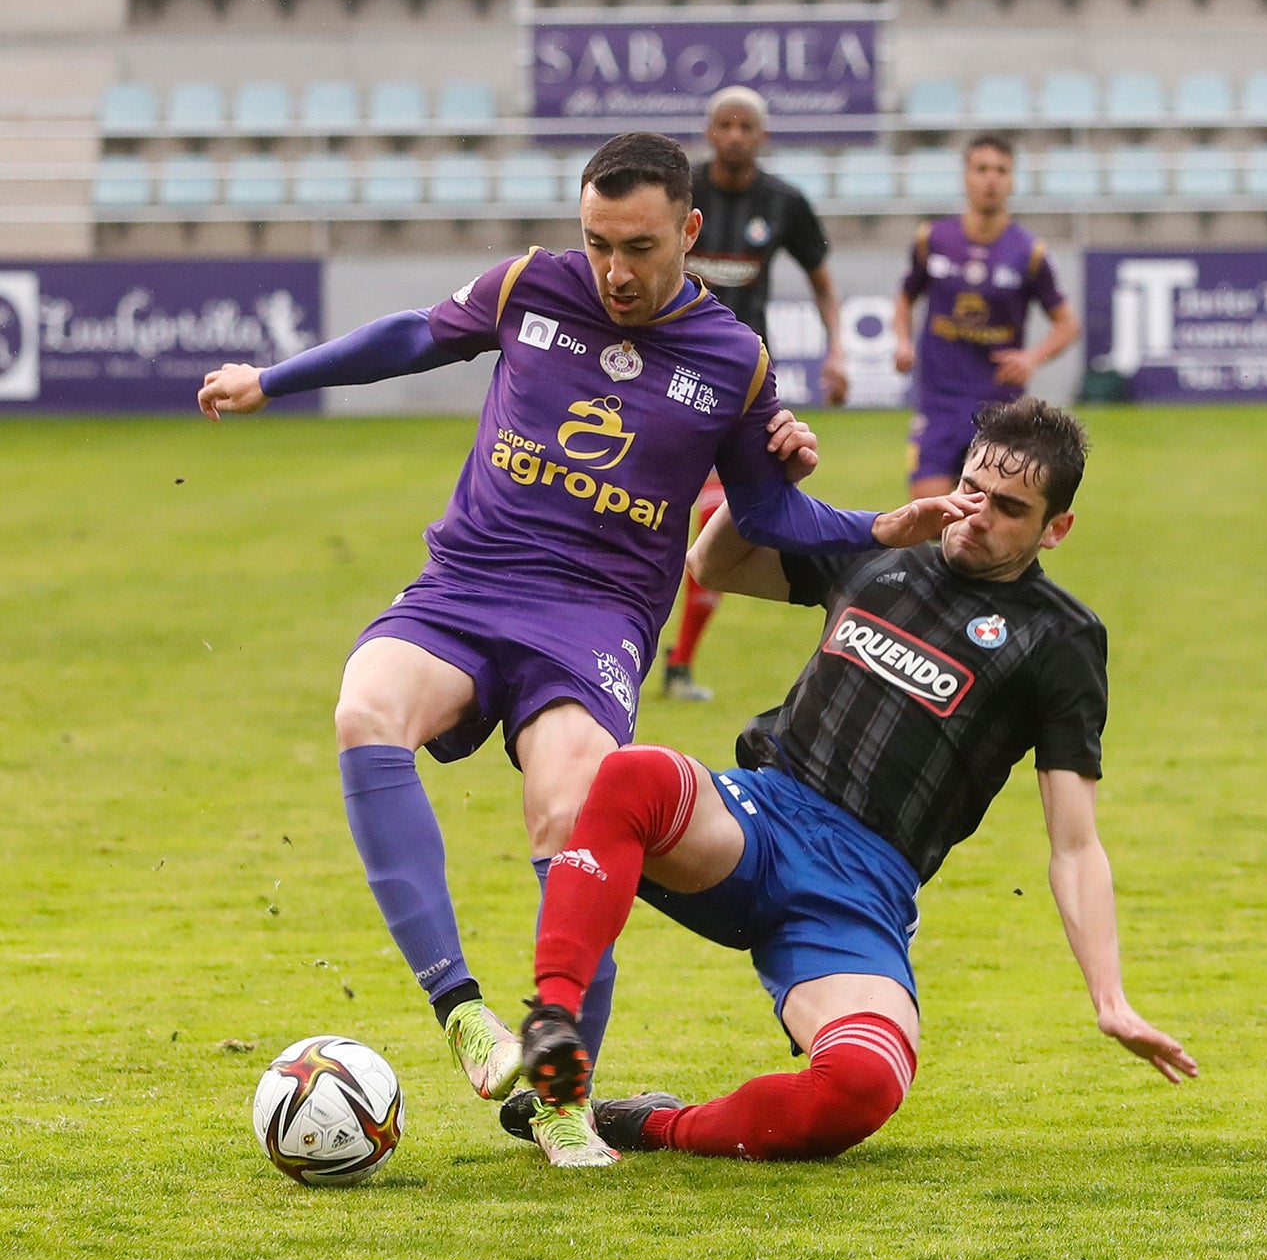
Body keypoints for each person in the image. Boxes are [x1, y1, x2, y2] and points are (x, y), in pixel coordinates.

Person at [196, 131, 936, 1160]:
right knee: (364, 706)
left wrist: (875, 527)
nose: (615, 271)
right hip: (467, 582)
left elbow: (770, 517)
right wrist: (273, 380)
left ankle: (561, 1095)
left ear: (689, 231)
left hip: (593, 619)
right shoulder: (530, 288)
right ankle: (462, 1012)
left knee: (572, 801)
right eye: (596, 243)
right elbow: (415, 335)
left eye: (637, 246)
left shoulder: (733, 360)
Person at [504, 397, 1197, 1167]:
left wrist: (1111, 1000)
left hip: (862, 892)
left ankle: (647, 1124)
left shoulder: (1060, 637)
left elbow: (1075, 843)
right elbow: (714, 564)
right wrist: (760, 483)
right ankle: (554, 1021)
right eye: (972, 490)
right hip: (758, 822)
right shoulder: (885, 548)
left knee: (863, 1084)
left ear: (1054, 528)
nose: (977, 516)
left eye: (1010, 508)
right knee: (633, 775)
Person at [664, 86, 848, 702]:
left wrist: (838, 350)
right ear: (709, 132)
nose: (736, 135)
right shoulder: (678, 193)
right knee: (654, 515)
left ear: (762, 136)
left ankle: (681, 660)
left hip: (743, 383)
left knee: (724, 513)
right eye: (725, 124)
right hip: (669, 370)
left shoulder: (784, 202)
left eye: (748, 125)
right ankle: (655, 650)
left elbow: (822, 282)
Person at [893, 132, 1081, 501]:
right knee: (929, 510)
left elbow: (1068, 324)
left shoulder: (1029, 252)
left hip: (999, 404)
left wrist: (1031, 358)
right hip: (939, 400)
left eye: (1001, 170)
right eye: (982, 169)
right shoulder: (933, 239)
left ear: (1012, 180)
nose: (991, 179)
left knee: (989, 514)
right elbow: (904, 298)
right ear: (966, 176)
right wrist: (901, 341)